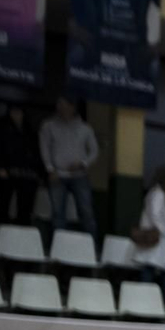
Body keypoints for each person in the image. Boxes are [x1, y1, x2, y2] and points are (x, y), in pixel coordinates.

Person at [40, 96, 99, 235]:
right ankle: (58, 246)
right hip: (57, 174)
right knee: (57, 212)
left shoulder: (85, 128)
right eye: (59, 105)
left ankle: (91, 246)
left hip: (80, 175)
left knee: (86, 210)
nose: (61, 108)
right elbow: (44, 148)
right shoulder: (48, 126)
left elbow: (94, 151)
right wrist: (50, 169)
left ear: (73, 107)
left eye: (65, 105)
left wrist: (83, 163)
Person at [0, 105, 41, 225]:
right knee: (3, 205)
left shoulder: (28, 128)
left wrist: (35, 171)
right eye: (14, 111)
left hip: (25, 173)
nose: (16, 114)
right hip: (6, 171)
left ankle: (21, 234)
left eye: (19, 112)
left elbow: (35, 150)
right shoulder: (1, 125)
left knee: (25, 208)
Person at [129, 177, 165, 279]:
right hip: (157, 239)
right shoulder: (159, 194)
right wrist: (162, 230)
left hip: (158, 243)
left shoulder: (153, 193)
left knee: (154, 268)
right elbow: (155, 213)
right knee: (152, 269)